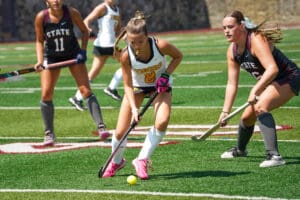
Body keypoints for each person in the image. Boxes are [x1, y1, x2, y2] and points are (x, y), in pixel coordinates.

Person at [101, 11, 183, 180]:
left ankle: (142, 159)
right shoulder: (126, 56)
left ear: (147, 36)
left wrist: (166, 75)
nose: (137, 45)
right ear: (127, 40)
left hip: (159, 87)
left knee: (162, 121)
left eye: (140, 41)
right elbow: (128, 85)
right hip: (137, 88)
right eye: (132, 42)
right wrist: (133, 109)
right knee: (120, 132)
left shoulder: (161, 45)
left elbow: (178, 56)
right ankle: (117, 162)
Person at [219, 10, 300, 167]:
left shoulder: (256, 39)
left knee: (261, 107)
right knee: (246, 118)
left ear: (242, 26)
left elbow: (272, 69)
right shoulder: (232, 51)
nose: (226, 31)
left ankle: (275, 156)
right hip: (270, 82)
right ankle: (240, 150)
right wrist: (225, 111)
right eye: (224, 28)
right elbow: (231, 83)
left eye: (230, 27)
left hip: (289, 77)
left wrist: (254, 90)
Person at [34, 0, 110, 145]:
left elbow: (85, 31)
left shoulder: (71, 13)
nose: (56, 1)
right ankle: (49, 133)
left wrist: (82, 50)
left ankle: (101, 127)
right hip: (52, 57)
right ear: (46, 1)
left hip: (72, 55)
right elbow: (39, 40)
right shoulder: (41, 17)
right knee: (46, 93)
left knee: (85, 90)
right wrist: (39, 61)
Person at [69, 0, 122, 112]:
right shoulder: (103, 7)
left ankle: (77, 98)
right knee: (129, 63)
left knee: (93, 73)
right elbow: (87, 20)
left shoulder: (116, 9)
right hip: (105, 44)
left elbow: (118, 28)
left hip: (107, 44)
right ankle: (111, 88)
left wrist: (127, 32)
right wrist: (87, 28)